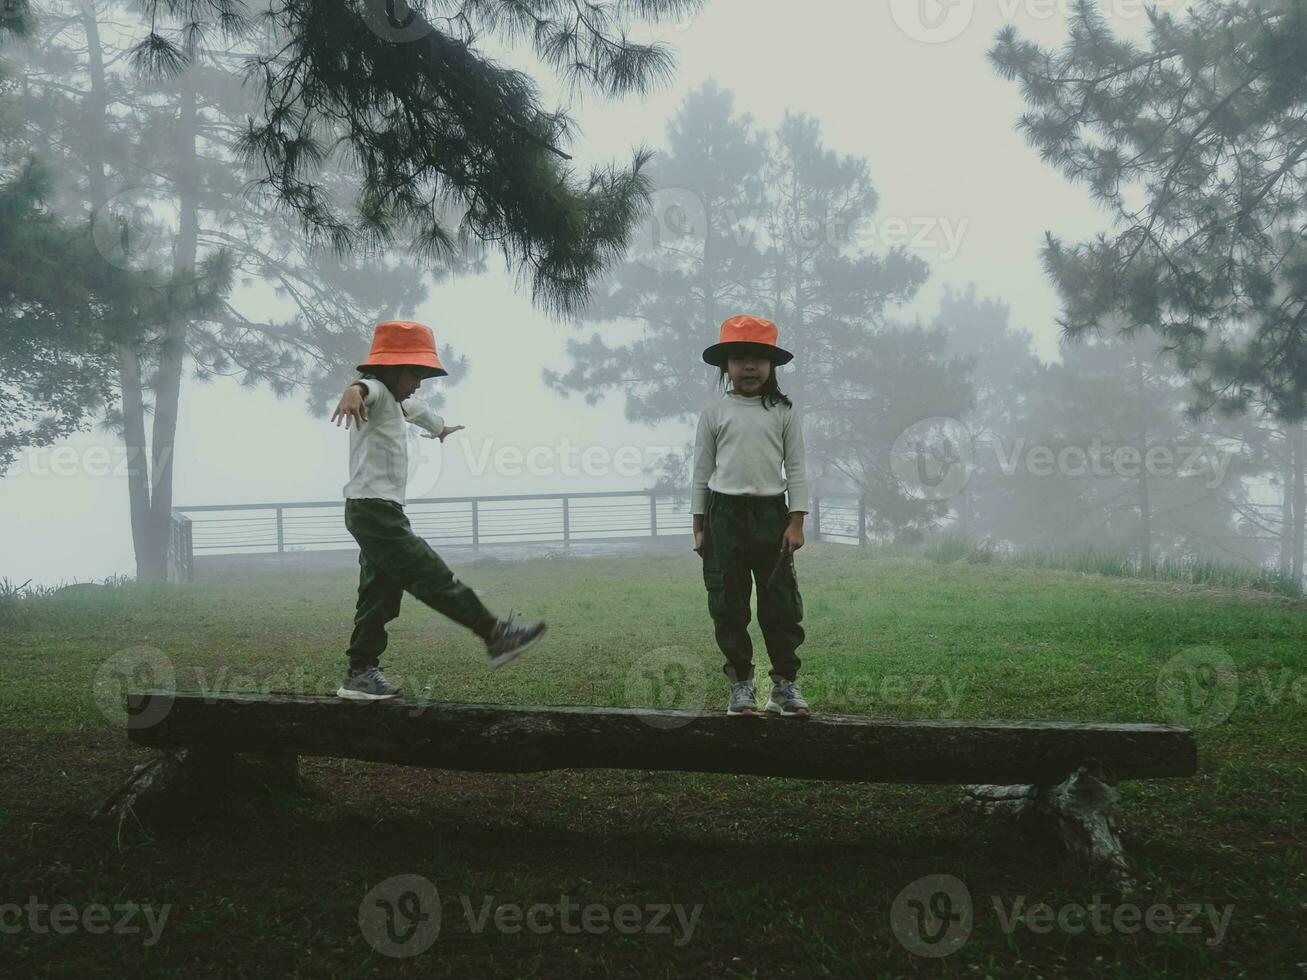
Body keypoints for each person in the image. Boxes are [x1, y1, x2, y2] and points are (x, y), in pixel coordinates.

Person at [329, 319, 546, 700]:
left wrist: (442, 428)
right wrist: (352, 390)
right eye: (414, 374)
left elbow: (419, 410)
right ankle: (495, 635)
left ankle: (360, 673)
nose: (417, 383)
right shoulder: (376, 389)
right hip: (373, 511)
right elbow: (365, 388)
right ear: (392, 368)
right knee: (429, 573)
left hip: (378, 511)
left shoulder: (398, 401)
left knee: (378, 596)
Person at [692, 315, 810, 717]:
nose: (750, 366)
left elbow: (796, 468)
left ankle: (785, 686)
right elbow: (701, 472)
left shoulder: (783, 412)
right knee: (728, 603)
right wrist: (699, 523)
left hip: (770, 516)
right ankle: (741, 685)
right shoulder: (714, 412)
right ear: (726, 365)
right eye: (740, 357)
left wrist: (796, 521)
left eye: (759, 358)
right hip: (722, 516)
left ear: (771, 366)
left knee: (779, 603)